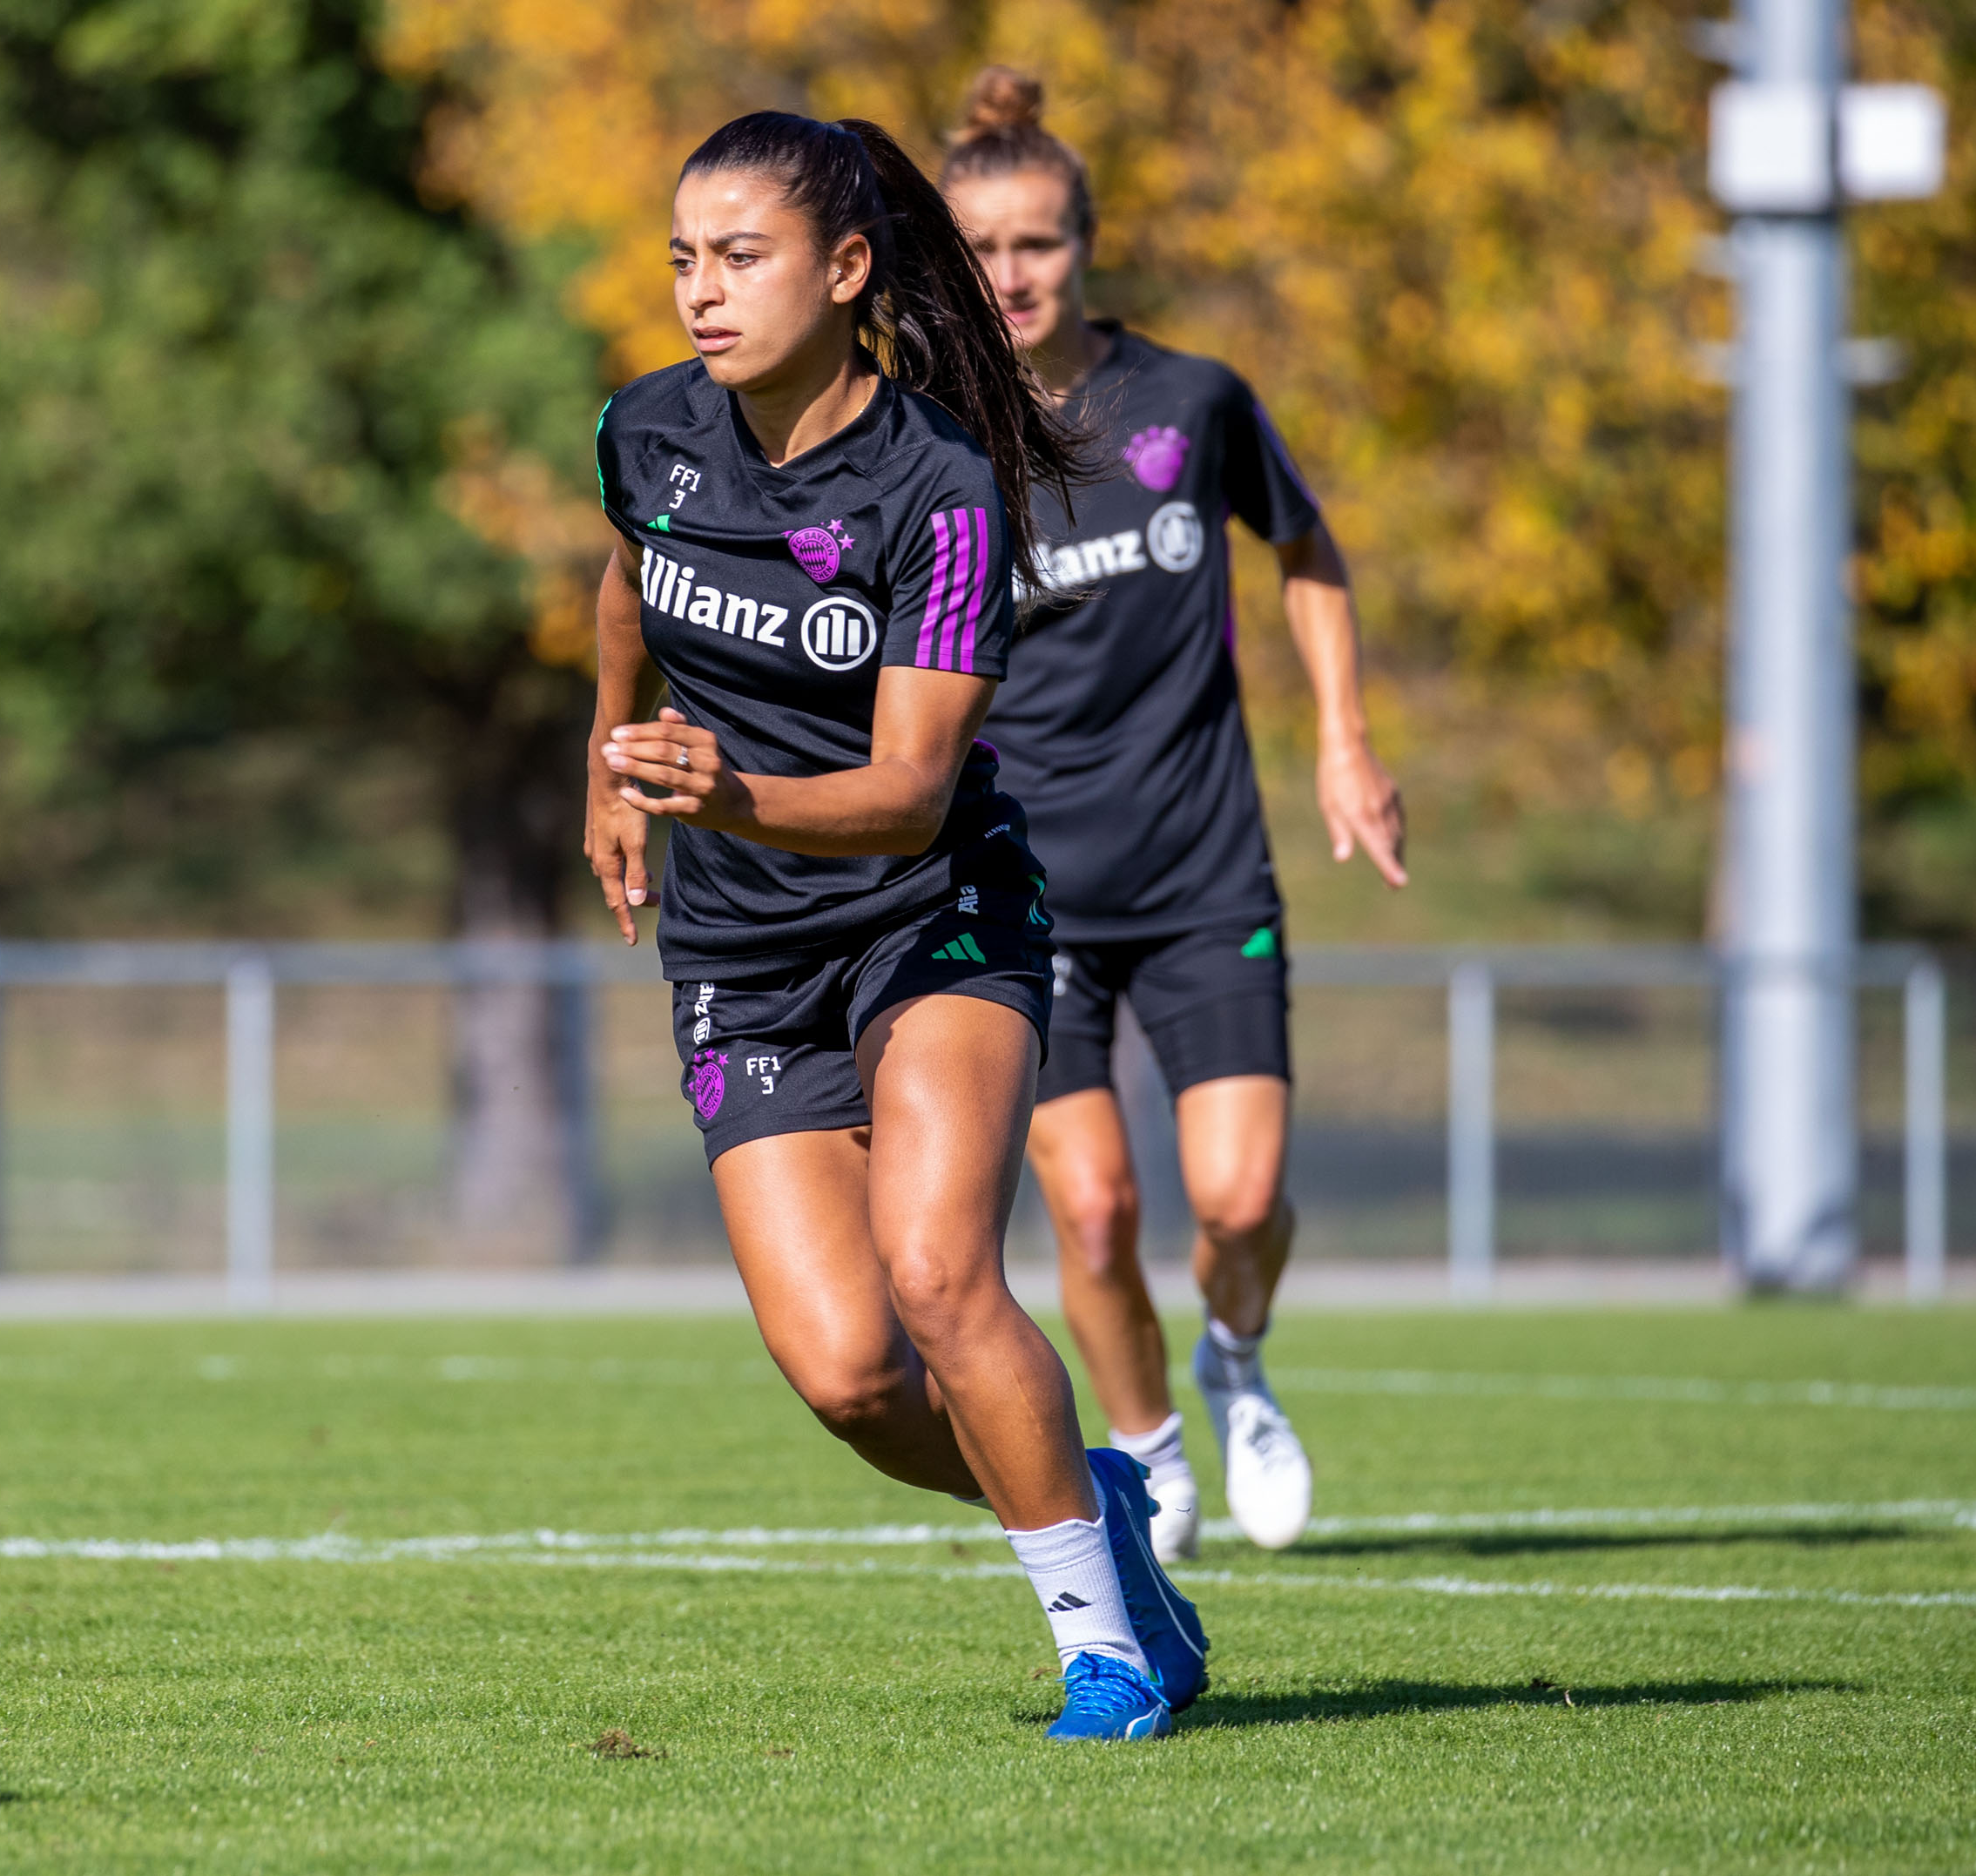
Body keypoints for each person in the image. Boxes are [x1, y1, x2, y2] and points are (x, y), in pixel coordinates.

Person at [584, 110, 1205, 1741]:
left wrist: (723, 796)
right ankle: (1092, 1500)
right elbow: (623, 578)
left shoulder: (938, 488)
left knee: (938, 1273)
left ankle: (1103, 1645)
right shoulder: (648, 431)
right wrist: (607, 758)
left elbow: (915, 789)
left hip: (931, 912)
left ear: (845, 269)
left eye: (738, 258)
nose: (697, 294)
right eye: (680, 260)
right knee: (849, 1374)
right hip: (739, 956)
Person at [940, 71, 1409, 1558]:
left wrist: (1341, 739)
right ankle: (1149, 1451)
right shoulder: (932, 440)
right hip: (1023, 887)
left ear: (1083, 243)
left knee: (1239, 1195)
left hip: (1203, 864)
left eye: (1036, 244)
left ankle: (1237, 1362)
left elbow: (1305, 545)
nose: (1009, 276)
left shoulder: (1188, 400)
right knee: (1088, 1212)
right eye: (981, 251)